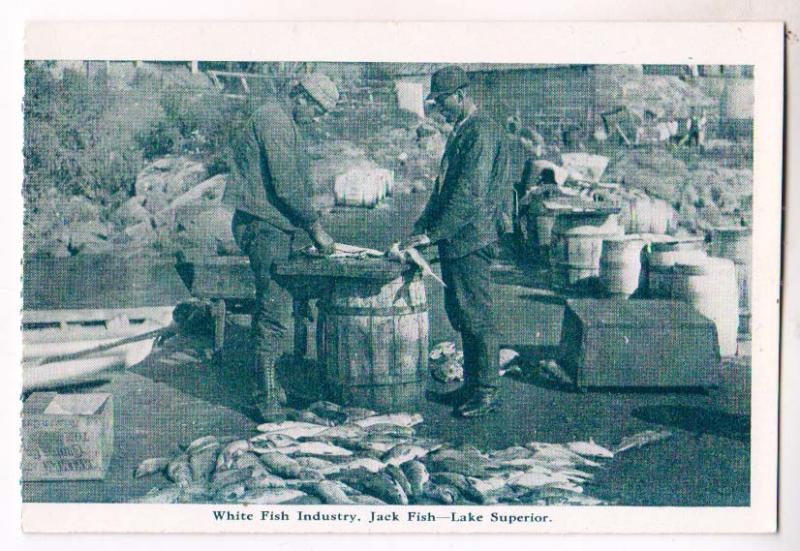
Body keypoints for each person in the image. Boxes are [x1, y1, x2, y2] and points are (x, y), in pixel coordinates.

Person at [222, 72, 338, 422]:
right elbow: (286, 186)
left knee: (280, 309)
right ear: (301, 97)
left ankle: (273, 385)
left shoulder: (283, 121)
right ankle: (266, 397)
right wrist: (316, 229)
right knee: (273, 313)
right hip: (264, 227)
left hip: (274, 225)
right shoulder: (274, 120)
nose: (315, 119)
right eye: (315, 111)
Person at [397, 65, 510, 418]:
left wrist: (433, 233)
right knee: (462, 312)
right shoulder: (464, 130)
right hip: (459, 237)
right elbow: (443, 188)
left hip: (472, 237)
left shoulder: (481, 132)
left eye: (443, 102)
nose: (440, 109)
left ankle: (487, 390)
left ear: (461, 96)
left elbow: (468, 194)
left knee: (476, 315)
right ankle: (472, 386)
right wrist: (423, 223)